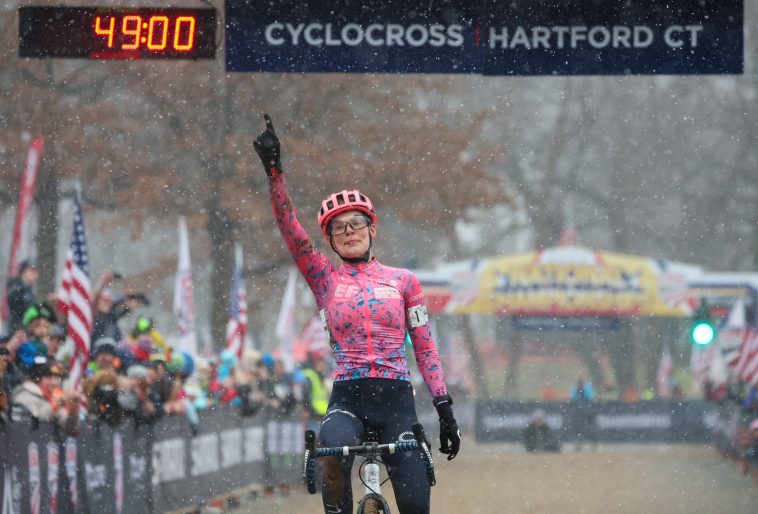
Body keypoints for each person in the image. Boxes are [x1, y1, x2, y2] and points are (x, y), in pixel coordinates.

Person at [254, 114, 460, 514]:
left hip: (397, 401)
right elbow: (290, 229)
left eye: (357, 223)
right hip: (347, 397)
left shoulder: (404, 281)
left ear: (372, 229)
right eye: (339, 228)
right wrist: (274, 173)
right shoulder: (325, 277)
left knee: (416, 500)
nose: (349, 231)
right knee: (329, 452)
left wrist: (444, 407)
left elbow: (426, 348)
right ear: (330, 239)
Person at [12, 356, 81, 435]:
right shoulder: (24, 394)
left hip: (48, 445)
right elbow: (38, 419)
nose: (54, 382)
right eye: (48, 377)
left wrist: (73, 409)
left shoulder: (55, 397)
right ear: (36, 378)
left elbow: (72, 430)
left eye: (56, 377)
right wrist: (58, 403)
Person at [5, 258, 40, 334]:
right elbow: (13, 299)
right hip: (16, 331)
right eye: (31, 270)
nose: (34, 274)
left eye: (36, 271)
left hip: (26, 331)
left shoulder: (29, 290)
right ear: (23, 271)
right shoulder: (15, 284)